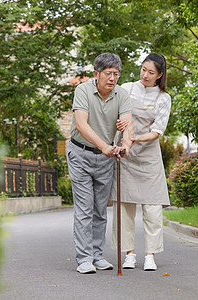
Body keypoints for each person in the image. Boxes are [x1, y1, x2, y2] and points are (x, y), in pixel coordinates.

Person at [66, 53, 133, 274]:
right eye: (108, 73)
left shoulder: (121, 95)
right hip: (80, 153)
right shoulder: (83, 91)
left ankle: (97, 255)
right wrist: (104, 145)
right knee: (85, 207)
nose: (112, 78)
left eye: (116, 74)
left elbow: (127, 124)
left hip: (107, 158)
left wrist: (125, 146)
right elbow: (81, 124)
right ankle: (84, 258)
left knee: (100, 209)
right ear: (96, 74)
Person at [110, 53, 171, 271]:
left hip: (149, 156)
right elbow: (115, 114)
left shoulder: (163, 98)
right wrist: (121, 132)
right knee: (124, 207)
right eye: (143, 69)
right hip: (126, 155)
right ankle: (129, 254)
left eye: (151, 72)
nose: (145, 75)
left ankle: (150, 256)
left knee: (153, 209)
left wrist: (135, 138)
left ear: (160, 75)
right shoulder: (126, 88)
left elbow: (157, 131)